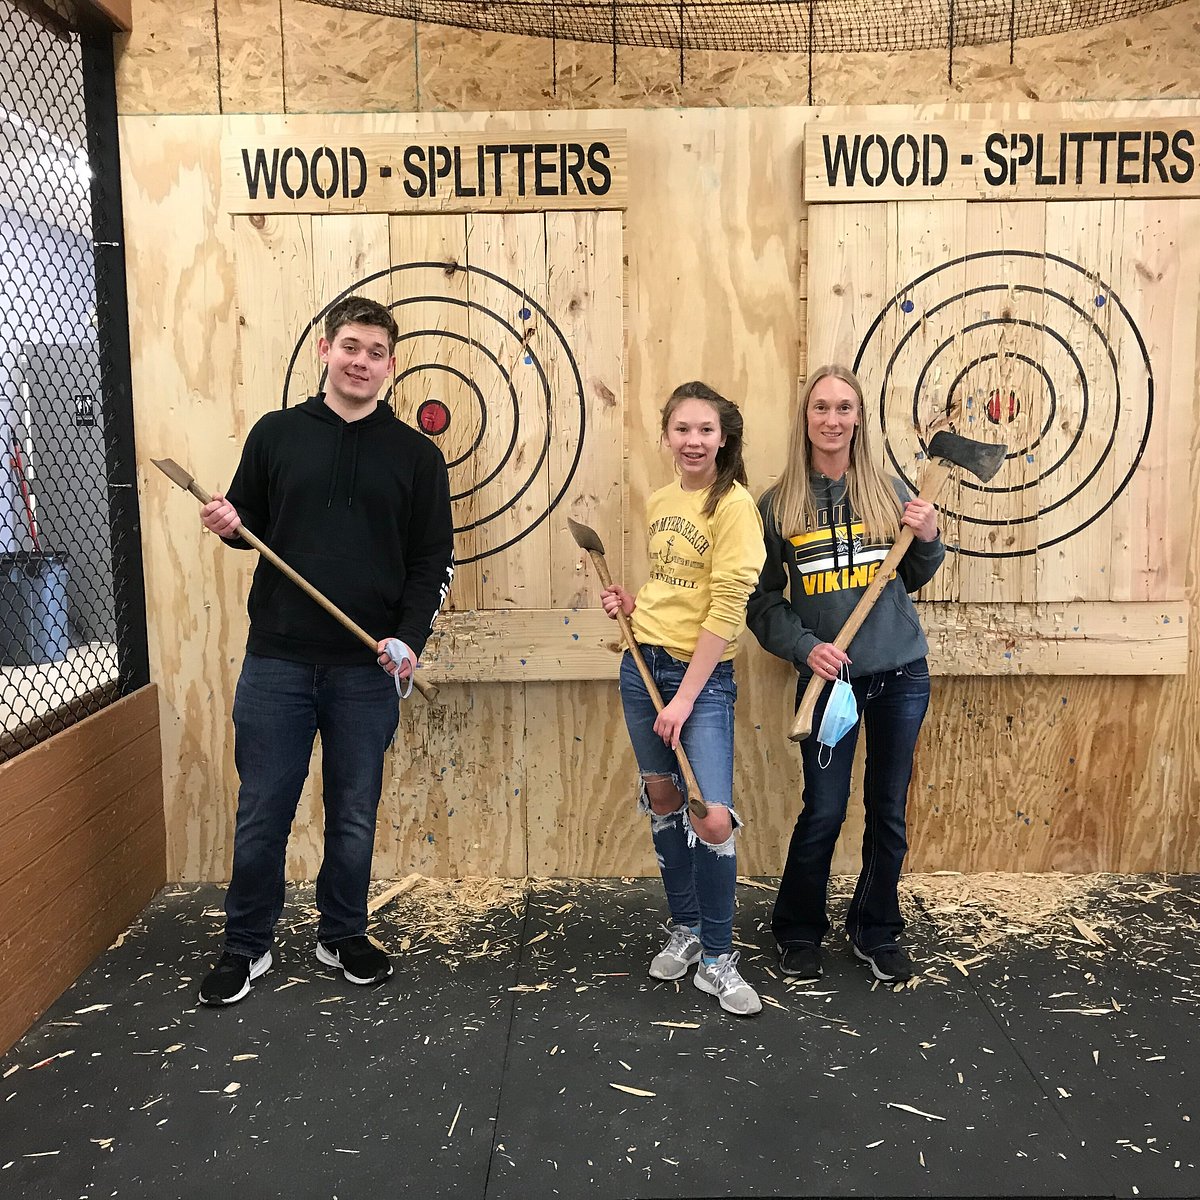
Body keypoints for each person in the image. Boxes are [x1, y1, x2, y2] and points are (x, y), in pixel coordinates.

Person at [196, 295, 454, 1006]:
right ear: (324, 349)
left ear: (391, 366)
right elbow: (243, 520)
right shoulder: (277, 434)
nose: (361, 361)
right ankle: (247, 946)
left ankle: (341, 933)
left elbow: (432, 558)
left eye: (375, 352)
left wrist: (408, 635)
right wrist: (225, 521)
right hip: (276, 660)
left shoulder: (416, 456)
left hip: (364, 670)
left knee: (353, 812)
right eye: (350, 346)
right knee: (263, 810)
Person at [746, 365, 944, 985]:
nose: (832, 420)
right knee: (825, 810)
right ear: (805, 419)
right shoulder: (779, 506)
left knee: (888, 808)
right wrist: (807, 648)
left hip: (901, 674)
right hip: (830, 683)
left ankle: (876, 929)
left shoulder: (890, 491)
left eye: (845, 409)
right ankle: (798, 930)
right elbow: (763, 604)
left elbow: (911, 576)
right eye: (821, 408)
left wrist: (931, 538)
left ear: (859, 419)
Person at [601, 381, 765, 1016]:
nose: (693, 441)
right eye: (682, 430)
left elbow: (727, 612)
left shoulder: (735, 508)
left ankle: (721, 957)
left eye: (705, 430)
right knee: (664, 798)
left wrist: (684, 700)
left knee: (711, 815)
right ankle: (689, 929)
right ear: (666, 435)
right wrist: (633, 607)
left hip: (701, 680)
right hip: (642, 666)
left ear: (723, 438)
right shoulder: (663, 500)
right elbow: (675, 590)